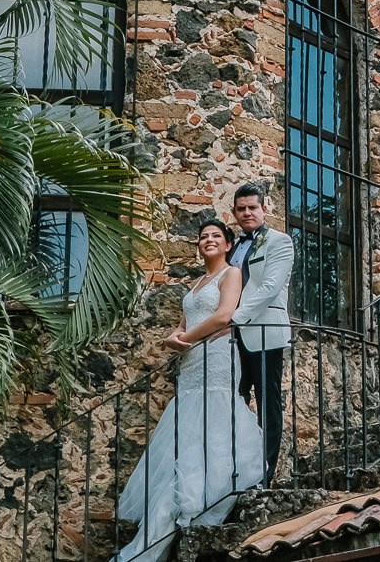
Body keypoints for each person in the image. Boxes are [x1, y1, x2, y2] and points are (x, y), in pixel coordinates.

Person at [112, 220, 265, 562]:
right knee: (188, 435)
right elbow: (185, 324)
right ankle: (154, 536)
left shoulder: (231, 275)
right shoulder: (196, 284)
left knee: (213, 421)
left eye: (215, 236)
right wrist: (174, 338)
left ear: (227, 245)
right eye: (203, 237)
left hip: (217, 359)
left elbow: (225, 315)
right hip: (193, 363)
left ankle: (200, 497)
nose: (208, 241)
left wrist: (185, 339)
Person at [228, 182, 294, 473]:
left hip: (265, 332)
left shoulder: (280, 242)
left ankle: (266, 470)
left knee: (268, 404)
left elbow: (269, 288)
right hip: (233, 337)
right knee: (235, 399)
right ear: (234, 212)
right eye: (241, 209)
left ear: (264, 209)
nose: (247, 213)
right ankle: (239, 468)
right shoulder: (233, 246)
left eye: (252, 207)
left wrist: (235, 318)